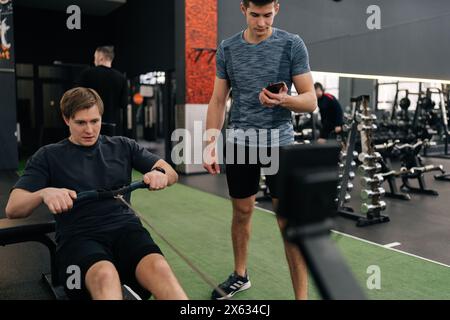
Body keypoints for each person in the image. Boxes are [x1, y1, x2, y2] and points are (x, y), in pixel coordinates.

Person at [5, 87, 187, 300]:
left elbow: (171, 173)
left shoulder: (122, 146)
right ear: (66, 120)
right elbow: (13, 208)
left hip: (126, 230)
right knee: (105, 276)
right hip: (79, 237)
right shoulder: (48, 156)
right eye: (81, 123)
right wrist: (43, 193)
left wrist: (160, 174)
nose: (89, 129)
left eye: (95, 121)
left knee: (161, 270)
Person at [203, 0, 317, 300]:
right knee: (242, 212)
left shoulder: (292, 44)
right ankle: (240, 275)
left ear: (277, 8)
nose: (262, 22)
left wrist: (284, 101)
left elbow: (309, 100)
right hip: (240, 142)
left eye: (268, 15)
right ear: (243, 9)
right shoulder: (228, 48)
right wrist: (209, 143)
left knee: (288, 222)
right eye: (255, 15)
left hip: (280, 142)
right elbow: (217, 100)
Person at [76, 46, 128, 136]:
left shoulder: (87, 74)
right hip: (113, 124)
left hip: (91, 124)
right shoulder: (121, 78)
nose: (94, 61)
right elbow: (124, 104)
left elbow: (77, 98)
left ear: (101, 58)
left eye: (95, 58)